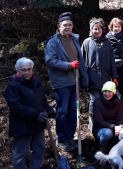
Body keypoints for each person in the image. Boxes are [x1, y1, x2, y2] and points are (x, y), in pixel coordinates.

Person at [4, 57, 56, 169]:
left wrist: (50, 111)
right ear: (17, 70)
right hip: (22, 127)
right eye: (24, 70)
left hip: (37, 125)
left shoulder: (36, 83)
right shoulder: (13, 87)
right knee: (20, 155)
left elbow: (42, 101)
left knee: (39, 150)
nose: (27, 72)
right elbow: (16, 107)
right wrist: (35, 114)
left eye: (29, 69)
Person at [45, 12, 89, 151]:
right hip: (62, 83)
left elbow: (81, 60)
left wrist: (83, 78)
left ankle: (70, 137)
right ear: (58, 26)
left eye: (69, 25)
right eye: (64, 25)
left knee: (72, 111)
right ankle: (61, 139)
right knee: (62, 111)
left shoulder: (74, 39)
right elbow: (50, 60)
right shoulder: (53, 42)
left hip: (74, 81)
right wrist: (68, 65)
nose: (67, 27)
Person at [81, 17, 119, 131]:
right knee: (94, 102)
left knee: (105, 102)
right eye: (95, 29)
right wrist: (82, 77)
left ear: (102, 29)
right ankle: (93, 127)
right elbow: (82, 61)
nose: (97, 31)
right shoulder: (87, 42)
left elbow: (112, 60)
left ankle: (104, 125)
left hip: (106, 79)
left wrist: (115, 76)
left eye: (99, 28)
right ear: (91, 30)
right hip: (92, 79)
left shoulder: (107, 42)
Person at [92, 81, 123, 154]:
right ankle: (101, 146)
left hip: (116, 128)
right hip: (101, 129)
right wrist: (114, 127)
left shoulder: (118, 102)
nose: (107, 94)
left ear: (114, 92)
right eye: (105, 91)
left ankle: (118, 150)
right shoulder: (97, 102)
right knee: (107, 133)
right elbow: (99, 121)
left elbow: (121, 118)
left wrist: (120, 127)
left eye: (109, 91)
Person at [106, 17, 123, 100]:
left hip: (122, 65)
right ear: (111, 27)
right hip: (111, 65)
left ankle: (120, 104)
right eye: (115, 26)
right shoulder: (107, 38)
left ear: (121, 27)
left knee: (121, 85)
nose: (117, 28)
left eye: (119, 27)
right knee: (111, 85)